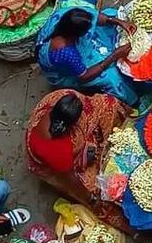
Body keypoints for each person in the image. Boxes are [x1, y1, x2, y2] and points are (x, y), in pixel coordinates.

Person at [25, 89, 132, 228]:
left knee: (108, 103)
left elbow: (89, 102)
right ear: (71, 125)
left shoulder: (60, 98)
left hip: (64, 143)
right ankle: (128, 225)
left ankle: (127, 118)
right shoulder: (57, 151)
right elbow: (71, 179)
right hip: (57, 164)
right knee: (97, 189)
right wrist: (91, 199)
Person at [36, 0, 138, 105]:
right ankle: (134, 101)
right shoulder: (66, 53)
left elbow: (94, 18)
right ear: (78, 35)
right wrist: (114, 56)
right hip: (68, 74)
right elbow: (84, 76)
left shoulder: (67, 15)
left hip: (74, 42)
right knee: (112, 77)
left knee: (110, 15)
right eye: (87, 31)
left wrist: (118, 22)